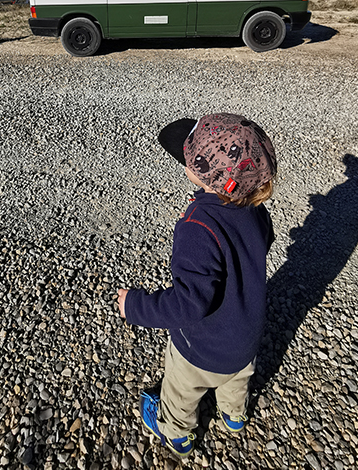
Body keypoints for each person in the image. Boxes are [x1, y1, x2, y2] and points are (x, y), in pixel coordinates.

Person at [117, 113, 276, 459]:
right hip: (246, 340)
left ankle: (178, 435)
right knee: (237, 382)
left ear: (198, 174)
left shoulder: (196, 226)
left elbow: (189, 304)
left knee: (180, 391)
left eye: (190, 160)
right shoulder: (253, 208)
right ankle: (234, 417)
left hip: (200, 349)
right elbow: (265, 240)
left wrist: (135, 305)